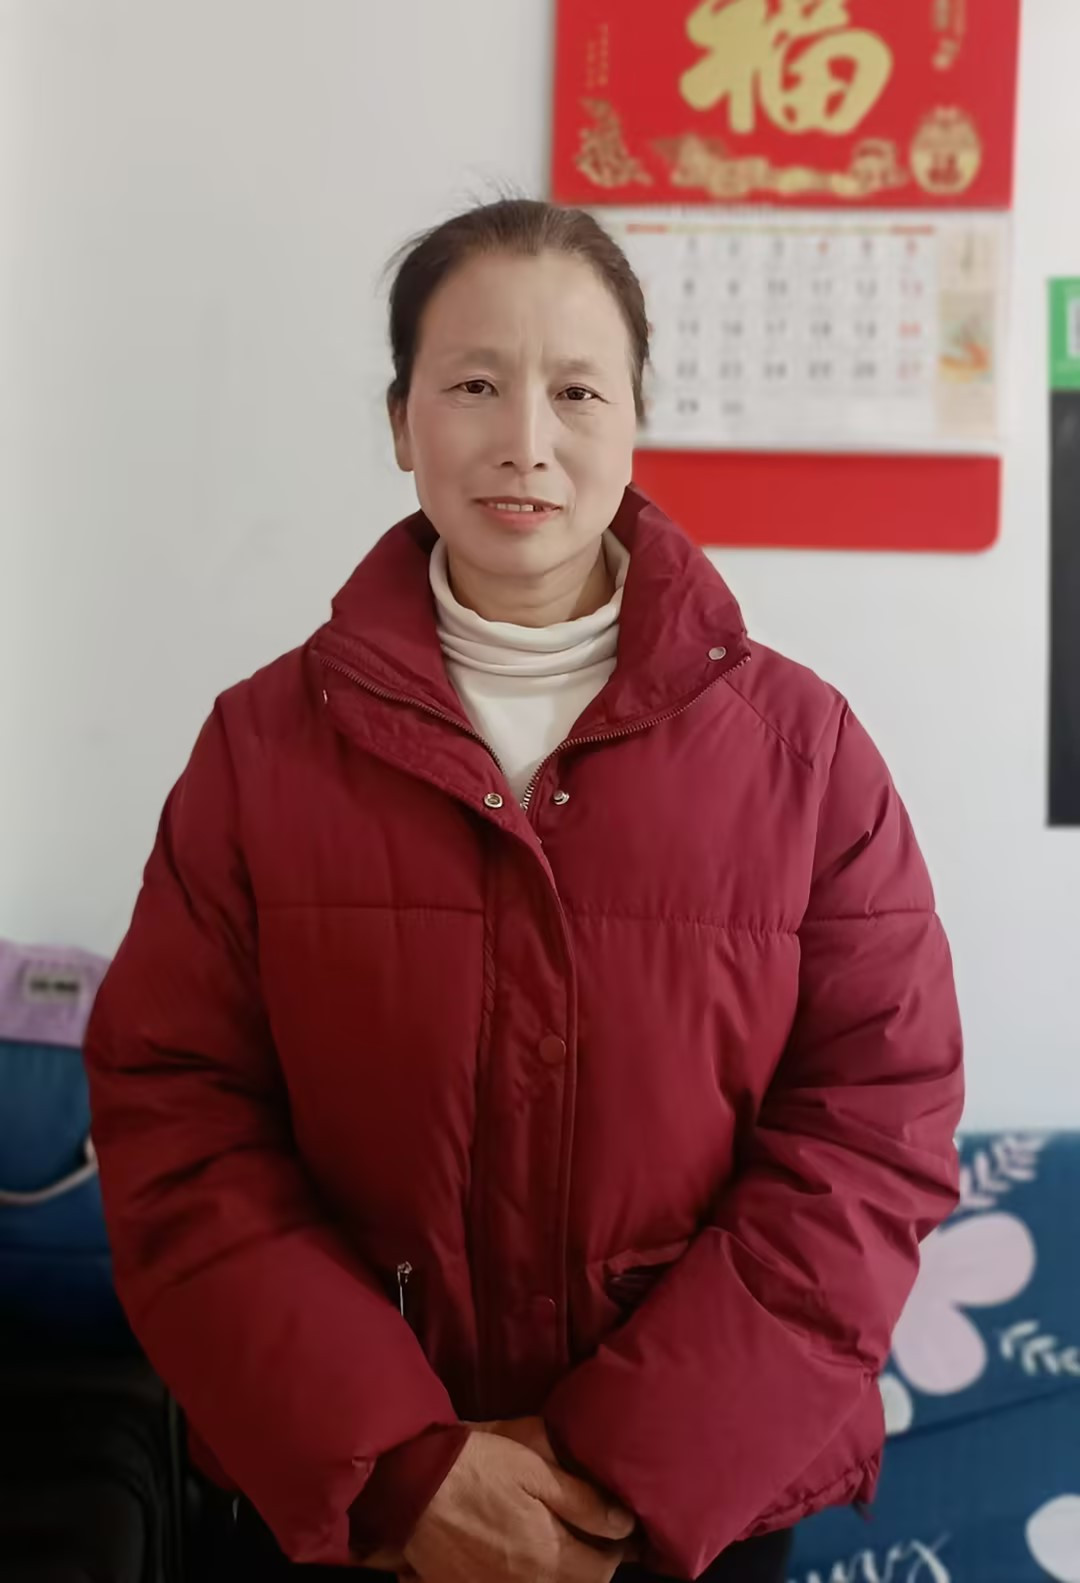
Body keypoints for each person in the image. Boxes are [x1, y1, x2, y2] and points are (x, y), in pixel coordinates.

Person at [84, 198, 964, 1583]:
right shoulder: (260, 751)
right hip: (349, 1511)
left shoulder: (803, 757)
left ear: (636, 422)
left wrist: (618, 1467)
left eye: (577, 392)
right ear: (401, 422)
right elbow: (177, 1118)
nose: (526, 441)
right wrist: (406, 1468)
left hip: (687, 1513)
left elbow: (876, 1129)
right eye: (475, 386)